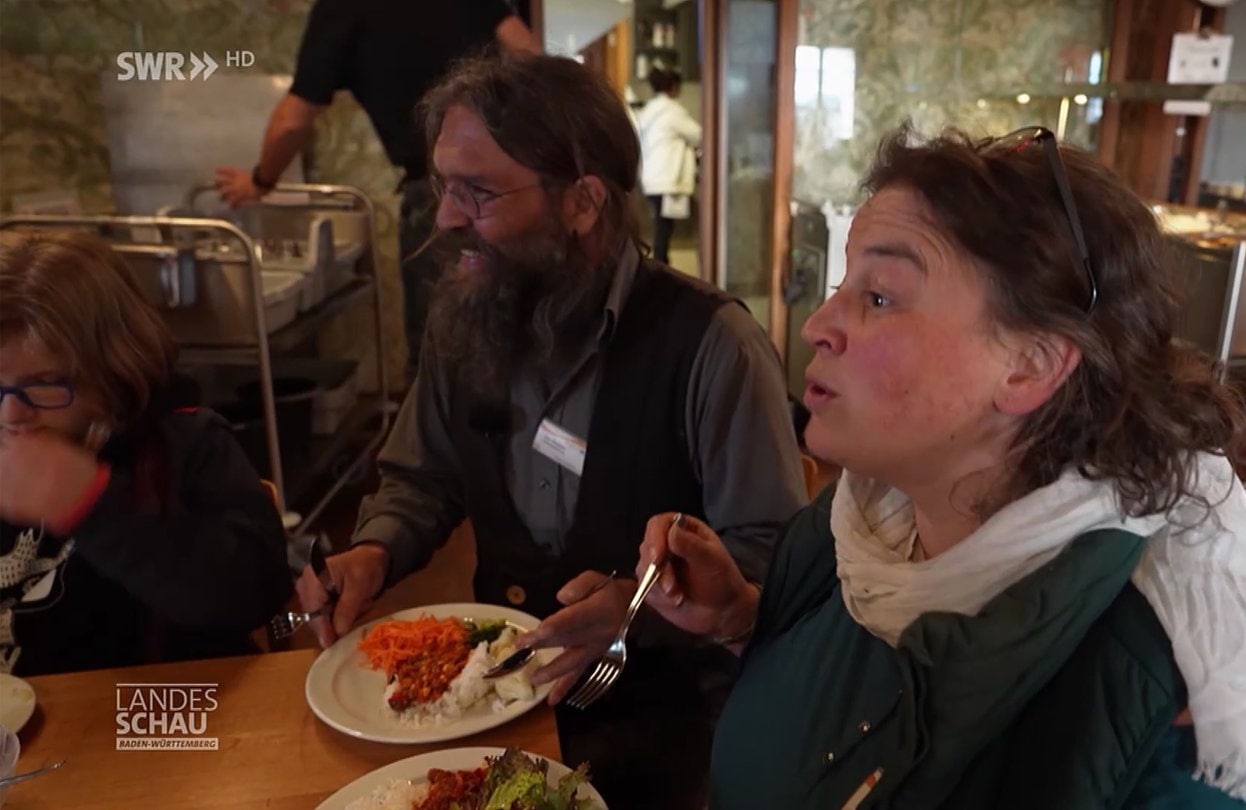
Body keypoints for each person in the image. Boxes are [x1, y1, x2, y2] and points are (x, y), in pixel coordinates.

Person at [637, 125, 1246, 809]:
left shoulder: (1157, 721)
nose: (819, 325)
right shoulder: (861, 522)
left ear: (1030, 367)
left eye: (878, 296)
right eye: (842, 287)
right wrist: (740, 619)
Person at [294, 53, 807, 809]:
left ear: (584, 201)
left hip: (668, 736)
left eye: (480, 192)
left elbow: (771, 558)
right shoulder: (464, 317)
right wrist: (374, 551)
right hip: (492, 715)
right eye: (444, 186)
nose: (444, 218)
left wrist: (640, 606)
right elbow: (422, 477)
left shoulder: (711, 344)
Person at [0, 228, 293, 677]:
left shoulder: (184, 445)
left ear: (113, 366)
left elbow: (253, 594)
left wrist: (94, 506)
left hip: (147, 719)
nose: (12, 413)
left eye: (43, 384)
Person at [215, 0, 541, 379]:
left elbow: (292, 121)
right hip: (515, 185)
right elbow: (529, 54)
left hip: (440, 192)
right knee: (520, 334)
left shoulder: (342, 9)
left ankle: (442, 435)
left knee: (441, 353)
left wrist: (259, 181)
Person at [636, 67, 701, 265]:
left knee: (661, 227)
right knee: (664, 229)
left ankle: (660, 265)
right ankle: (661, 267)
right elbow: (699, 135)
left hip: (651, 178)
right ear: (673, 88)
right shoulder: (673, 113)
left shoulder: (647, 112)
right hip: (667, 179)